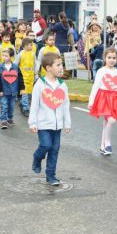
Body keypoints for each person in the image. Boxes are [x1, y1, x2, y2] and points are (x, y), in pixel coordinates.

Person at [28, 52, 71, 186]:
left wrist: (67, 123)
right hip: (43, 124)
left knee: (54, 149)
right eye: (58, 65)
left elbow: (65, 105)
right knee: (46, 145)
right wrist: (33, 123)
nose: (61, 67)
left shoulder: (62, 85)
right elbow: (34, 105)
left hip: (57, 125)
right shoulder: (40, 84)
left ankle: (51, 176)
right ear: (48, 68)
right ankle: (37, 157)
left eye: (61, 65)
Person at [89, 47, 117, 156]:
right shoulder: (101, 71)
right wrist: (91, 101)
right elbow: (95, 86)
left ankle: (102, 146)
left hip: (115, 99)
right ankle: (107, 143)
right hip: (104, 99)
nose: (111, 60)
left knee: (107, 122)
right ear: (105, 58)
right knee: (111, 120)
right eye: (109, 57)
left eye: (114, 58)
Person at [0, 48, 25, 129]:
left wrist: (22, 88)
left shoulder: (16, 67)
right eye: (3, 55)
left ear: (11, 57)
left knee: (11, 106)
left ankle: (10, 118)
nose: (4, 57)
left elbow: (20, 78)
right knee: (4, 105)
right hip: (4, 91)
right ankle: (3, 121)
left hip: (13, 91)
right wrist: (0, 90)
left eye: (6, 56)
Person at [15, 38, 37, 117]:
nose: (31, 46)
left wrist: (36, 73)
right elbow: (16, 64)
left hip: (31, 77)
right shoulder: (21, 54)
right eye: (29, 45)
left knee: (30, 94)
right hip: (23, 77)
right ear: (24, 46)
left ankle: (22, 103)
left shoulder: (33, 54)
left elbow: (35, 64)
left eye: (32, 45)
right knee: (25, 93)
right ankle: (26, 108)